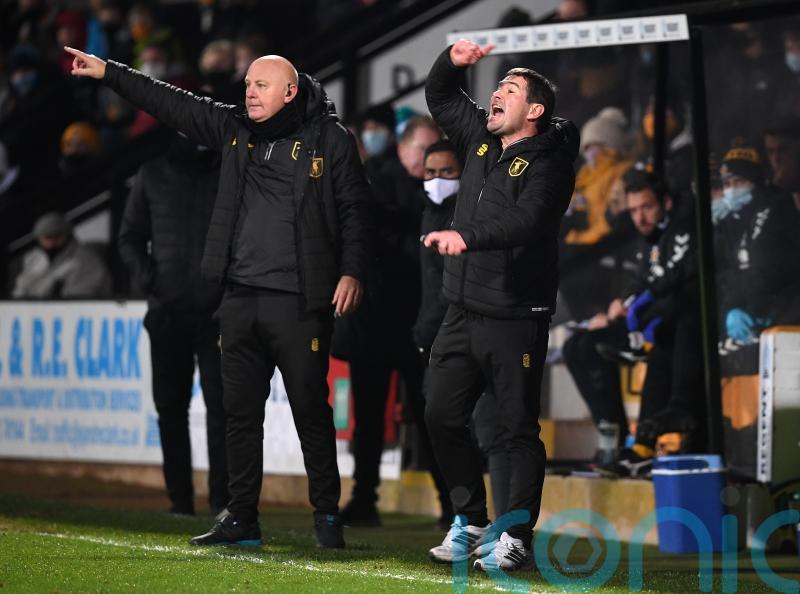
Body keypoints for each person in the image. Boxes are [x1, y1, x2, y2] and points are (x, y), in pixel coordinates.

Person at [65, 44, 370, 549]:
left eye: (261, 85)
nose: (250, 93)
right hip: (238, 298)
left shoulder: (329, 139)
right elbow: (170, 101)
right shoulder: (234, 129)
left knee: (310, 413)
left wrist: (352, 272)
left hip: (299, 301)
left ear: (289, 91)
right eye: (247, 85)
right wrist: (109, 72)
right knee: (238, 415)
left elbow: (356, 210)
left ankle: (326, 516)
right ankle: (241, 516)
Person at [422, 40, 579, 571]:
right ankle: (470, 520)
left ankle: (515, 535)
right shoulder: (479, 139)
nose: (496, 94)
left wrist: (467, 236)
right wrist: (451, 59)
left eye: (509, 90)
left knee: (515, 430)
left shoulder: (551, 163)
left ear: (534, 110)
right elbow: (441, 95)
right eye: (497, 86)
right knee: (440, 415)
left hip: (515, 314)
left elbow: (528, 221)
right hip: (461, 309)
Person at [338, 116, 443, 527]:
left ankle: (452, 505)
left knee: (432, 415)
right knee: (368, 418)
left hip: (423, 322)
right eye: (422, 150)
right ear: (403, 148)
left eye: (434, 151)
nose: (429, 159)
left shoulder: (442, 190)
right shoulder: (375, 185)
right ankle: (364, 498)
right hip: (377, 321)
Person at [562, 167, 701, 475]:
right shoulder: (647, 238)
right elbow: (637, 281)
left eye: (647, 207)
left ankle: (636, 443)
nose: (640, 217)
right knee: (576, 347)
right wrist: (618, 305)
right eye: (634, 210)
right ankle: (613, 435)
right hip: (642, 323)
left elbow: (669, 283)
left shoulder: (682, 226)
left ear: (665, 203)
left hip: (666, 323)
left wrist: (636, 306)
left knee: (655, 339)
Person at [118, 131, 228, 517]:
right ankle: (180, 500)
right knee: (170, 408)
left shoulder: (230, 173)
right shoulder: (152, 174)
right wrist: (152, 280)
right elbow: (129, 238)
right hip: (168, 314)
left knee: (223, 409)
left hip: (218, 315)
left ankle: (223, 502)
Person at [13, 211, 112, 299]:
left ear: (67, 235)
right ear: (39, 238)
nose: (52, 242)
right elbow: (20, 291)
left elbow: (77, 299)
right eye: (47, 237)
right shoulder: (34, 258)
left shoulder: (84, 259)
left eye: (57, 236)